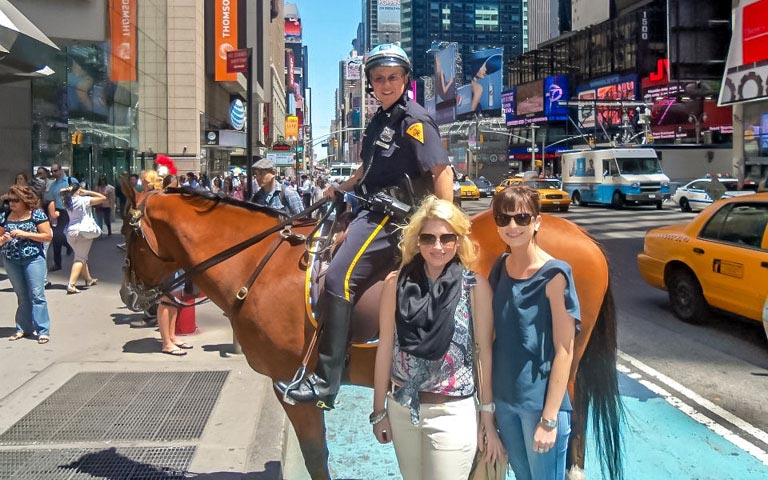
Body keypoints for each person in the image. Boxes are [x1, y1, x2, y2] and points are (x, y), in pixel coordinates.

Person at [275, 43, 454, 409]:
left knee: (339, 277)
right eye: (378, 79)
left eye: (392, 77)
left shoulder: (414, 121)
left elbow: (442, 171)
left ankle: (326, 383)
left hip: (394, 219)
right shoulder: (380, 120)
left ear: (405, 79)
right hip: (369, 210)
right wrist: (340, 188)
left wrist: (443, 226)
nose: (385, 84)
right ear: (370, 84)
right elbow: (365, 170)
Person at [372, 196, 504, 479]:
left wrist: (487, 417)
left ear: (458, 241)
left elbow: (483, 353)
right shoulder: (395, 284)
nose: (438, 246)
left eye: (447, 238)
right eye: (428, 238)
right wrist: (378, 410)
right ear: (416, 241)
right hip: (402, 409)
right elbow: (385, 347)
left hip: (452, 413)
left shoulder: (474, 287)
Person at [490, 185, 580, 480]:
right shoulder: (500, 268)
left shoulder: (554, 274)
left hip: (540, 406)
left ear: (537, 222)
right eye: (503, 219)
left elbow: (565, 350)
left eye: (521, 218)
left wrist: (550, 419)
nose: (512, 226)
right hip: (505, 402)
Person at [0, 185, 53, 343]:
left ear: (24, 200)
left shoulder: (36, 214)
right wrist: (3, 240)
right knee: (22, 296)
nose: (12, 204)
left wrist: (26, 234)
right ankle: (23, 328)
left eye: (16, 200)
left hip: (33, 259)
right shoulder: (5, 215)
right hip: (11, 260)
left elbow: (47, 236)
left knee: (37, 295)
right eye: (10, 200)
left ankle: (43, 330)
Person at [61, 183, 107, 293]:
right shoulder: (83, 200)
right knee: (80, 258)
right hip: (82, 232)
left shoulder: (66, 200)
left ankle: (88, 279)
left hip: (70, 232)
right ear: (79, 190)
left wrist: (71, 189)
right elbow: (103, 198)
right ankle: (71, 284)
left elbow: (61, 191)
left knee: (80, 256)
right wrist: (88, 192)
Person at [44, 164, 76, 271]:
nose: (54, 173)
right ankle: (58, 263)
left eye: (56, 170)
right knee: (57, 236)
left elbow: (80, 191)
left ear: (61, 170)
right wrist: (52, 213)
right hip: (60, 211)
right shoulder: (53, 186)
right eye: (52, 171)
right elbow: (50, 200)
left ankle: (70, 247)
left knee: (68, 233)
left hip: (71, 210)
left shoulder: (70, 180)